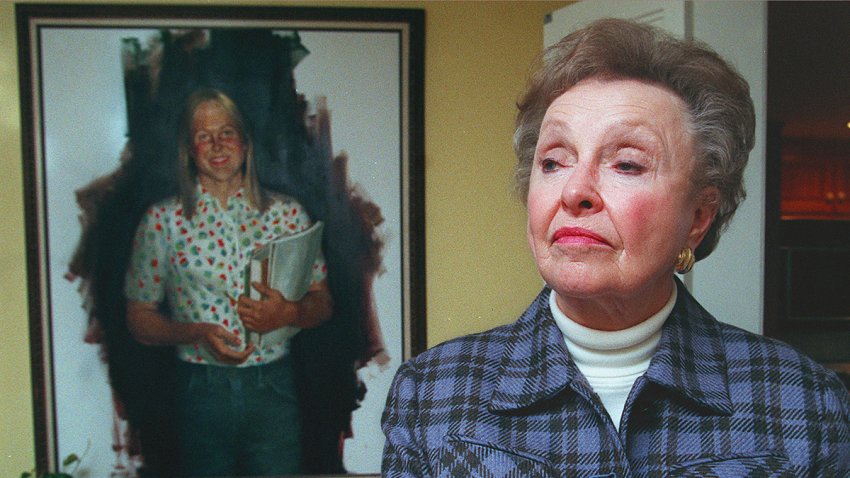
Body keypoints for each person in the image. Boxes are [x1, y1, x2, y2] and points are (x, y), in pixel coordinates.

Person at [382, 18, 850, 476]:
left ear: (699, 218)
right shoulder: (431, 393)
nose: (574, 190)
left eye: (626, 164)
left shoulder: (806, 403)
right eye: (553, 162)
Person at [125, 88, 333, 477]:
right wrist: (196, 332)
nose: (217, 144)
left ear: (245, 141)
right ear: (189, 148)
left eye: (227, 132)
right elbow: (139, 317)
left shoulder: (288, 215)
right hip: (199, 390)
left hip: (274, 388)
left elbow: (322, 301)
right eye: (203, 135)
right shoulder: (162, 221)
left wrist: (290, 312)